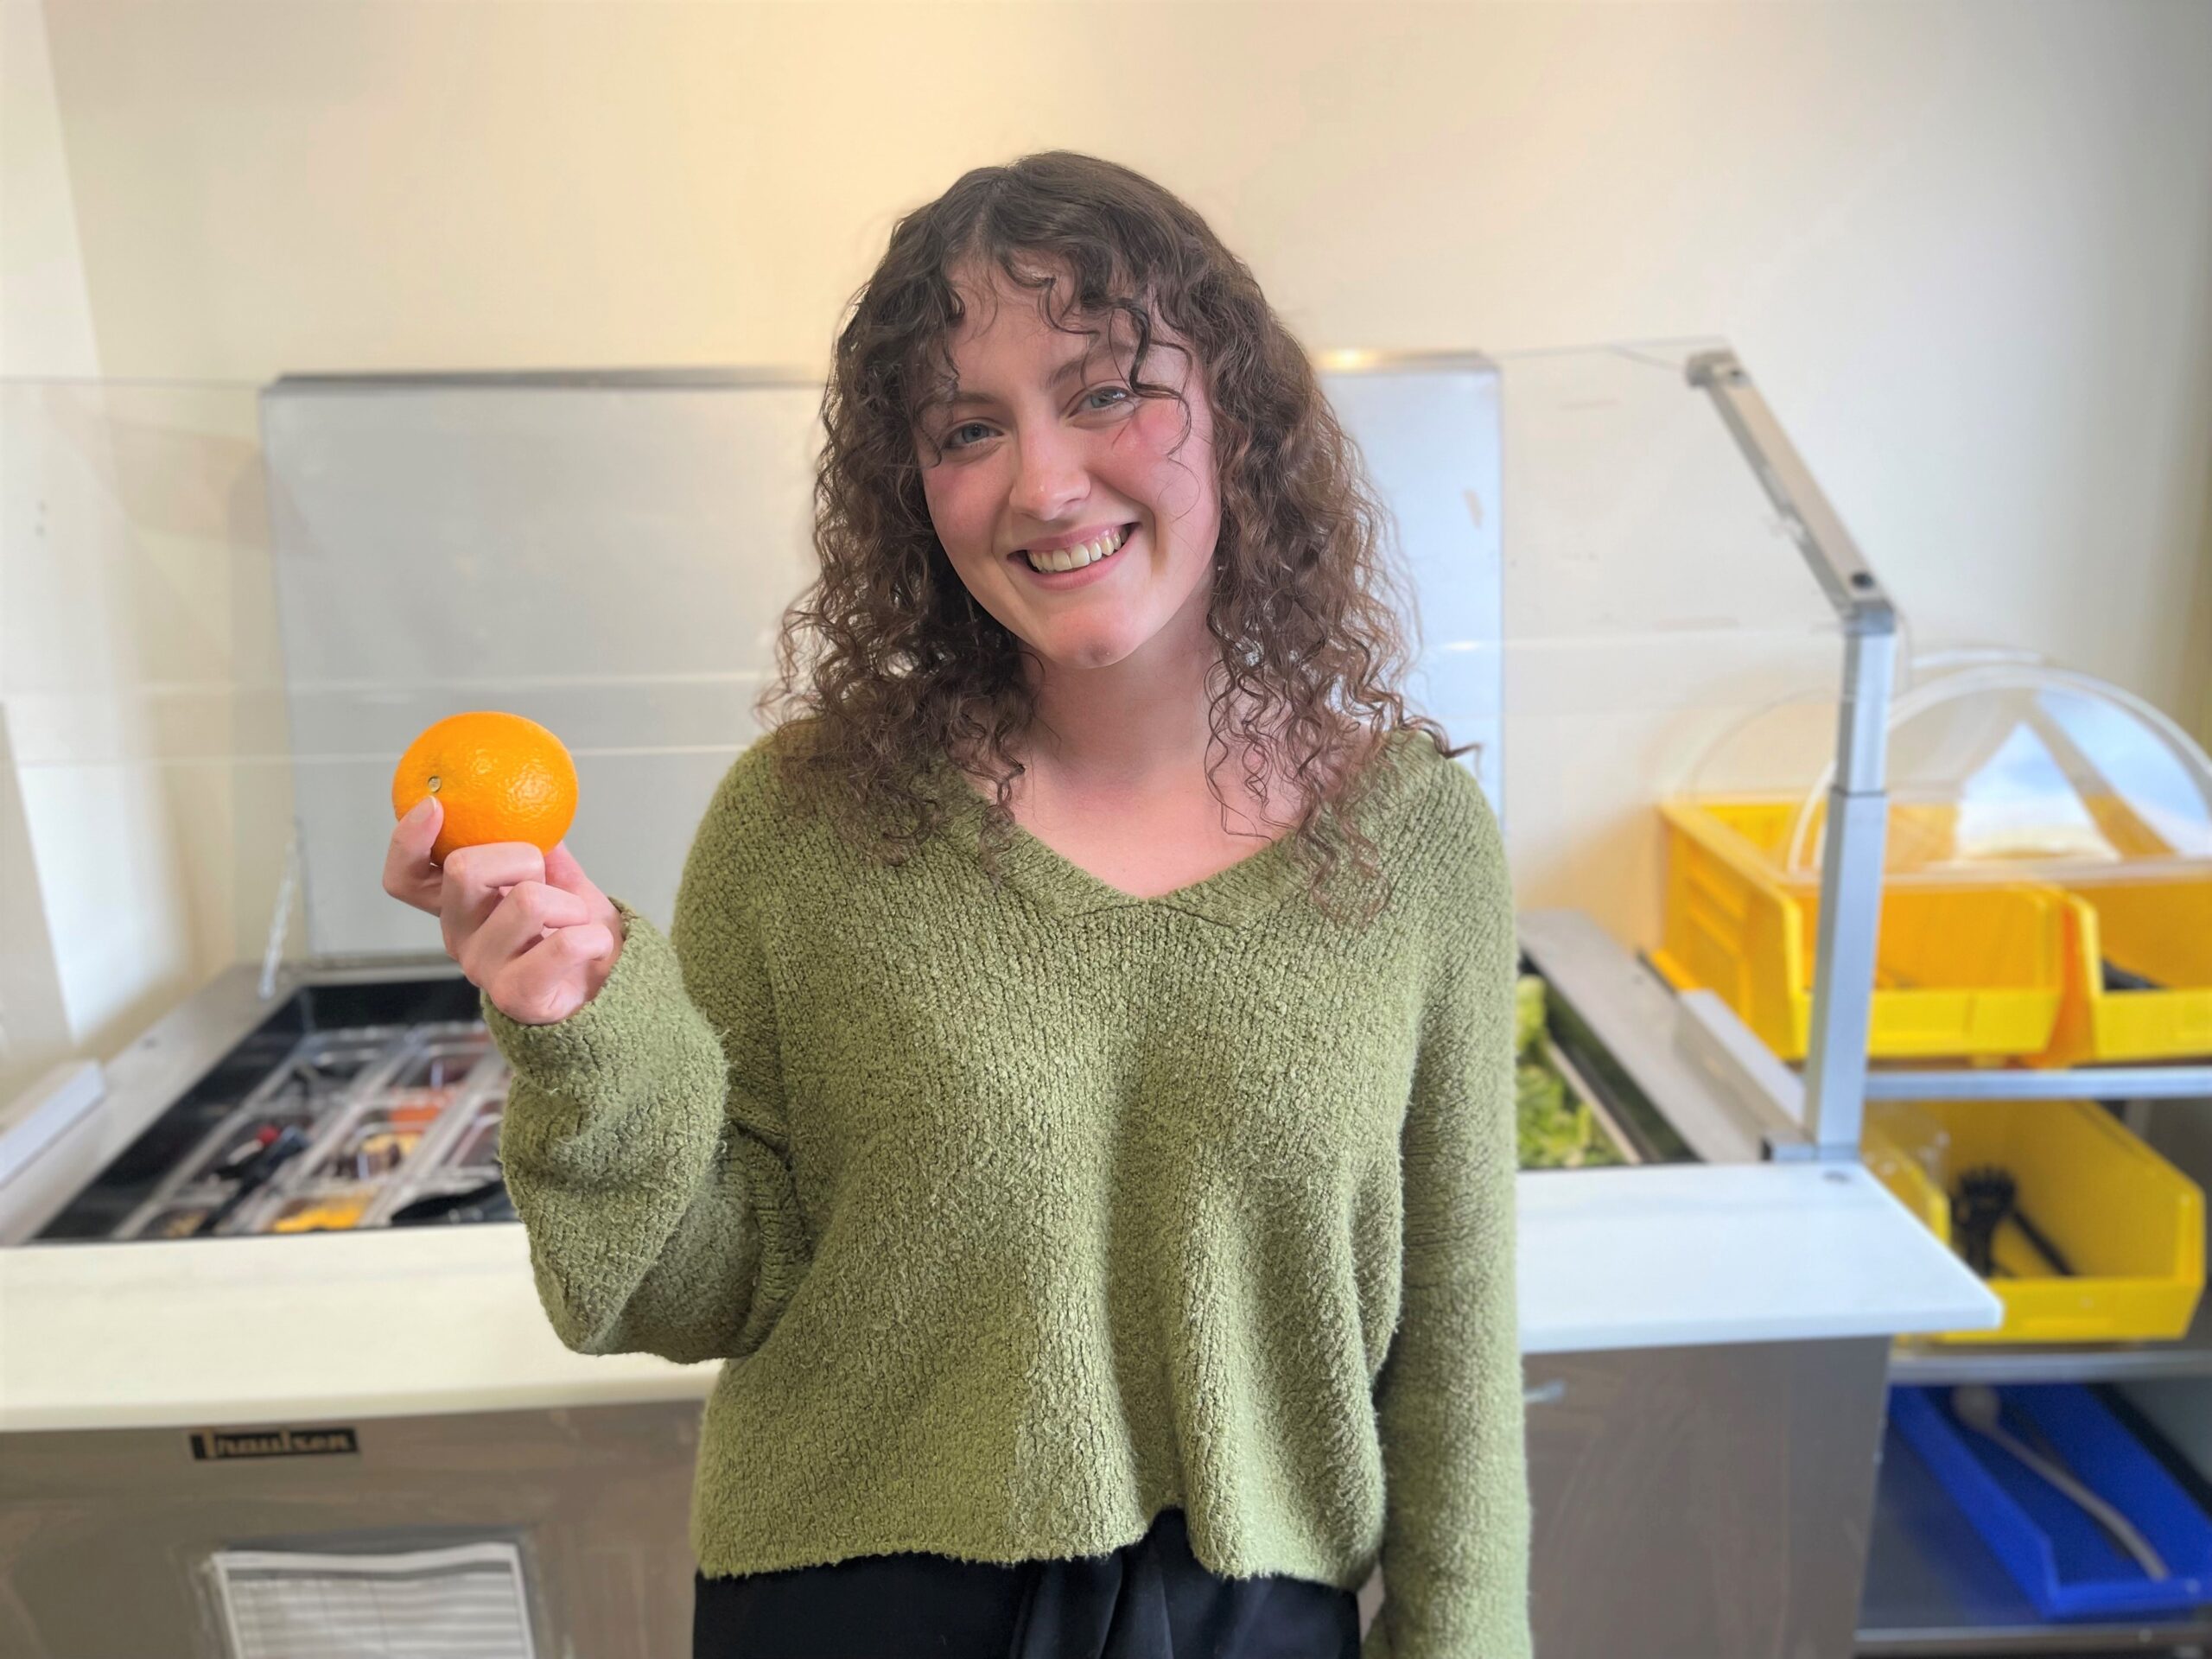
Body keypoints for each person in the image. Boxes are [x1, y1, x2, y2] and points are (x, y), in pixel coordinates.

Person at [383, 150, 1530, 1659]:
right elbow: (680, 1291)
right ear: (912, 489)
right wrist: (584, 1027)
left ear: (1235, 410)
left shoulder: (1416, 841)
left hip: (1250, 1620)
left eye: (1107, 390)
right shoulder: (802, 822)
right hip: (852, 1606)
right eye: (968, 428)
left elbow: (1452, 1359)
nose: (1044, 484)